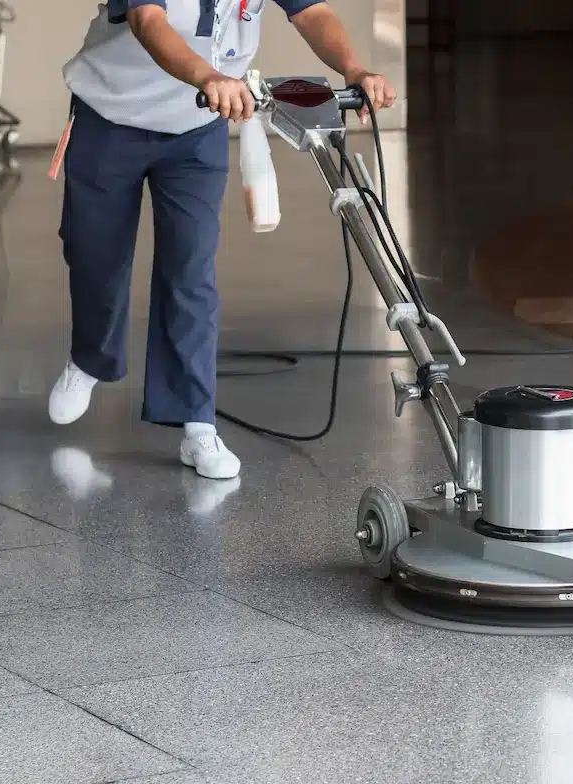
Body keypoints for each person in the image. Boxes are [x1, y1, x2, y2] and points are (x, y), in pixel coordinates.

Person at [49, 0, 396, 479]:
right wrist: (206, 77)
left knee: (191, 271)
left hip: (195, 129)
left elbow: (313, 13)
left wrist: (355, 68)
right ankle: (90, 357)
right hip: (111, 115)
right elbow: (147, 21)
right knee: (95, 257)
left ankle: (196, 423)